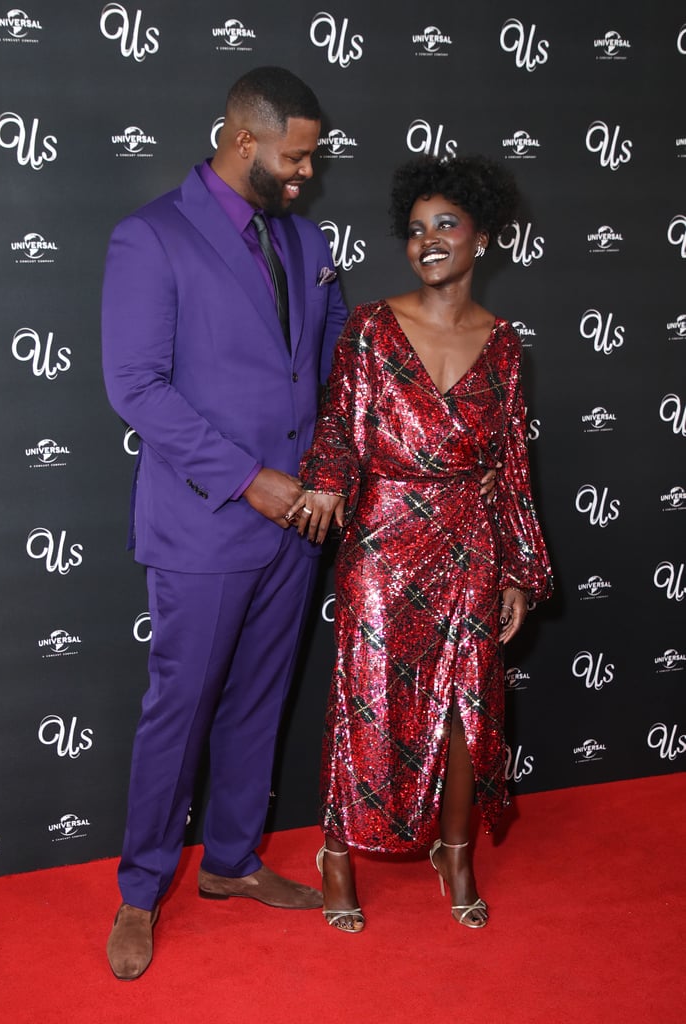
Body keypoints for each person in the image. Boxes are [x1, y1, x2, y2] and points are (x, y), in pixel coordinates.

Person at [100, 67, 349, 980]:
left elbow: (327, 367)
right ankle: (140, 889)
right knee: (183, 709)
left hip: (297, 526)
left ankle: (235, 864)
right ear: (245, 140)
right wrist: (252, 481)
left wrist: (320, 479)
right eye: (295, 156)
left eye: (311, 159)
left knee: (258, 702)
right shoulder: (151, 238)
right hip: (208, 522)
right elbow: (136, 388)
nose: (306, 174)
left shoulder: (306, 236)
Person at [287, 154, 553, 932]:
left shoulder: (504, 345)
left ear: (483, 237)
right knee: (367, 698)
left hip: (470, 539)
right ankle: (338, 852)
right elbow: (339, 425)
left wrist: (517, 568)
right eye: (415, 229)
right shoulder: (370, 325)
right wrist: (328, 482)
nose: (429, 241)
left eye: (446, 225)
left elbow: (509, 464)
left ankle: (456, 850)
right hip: (383, 537)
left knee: (469, 707)